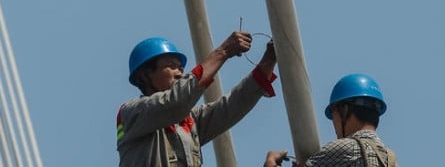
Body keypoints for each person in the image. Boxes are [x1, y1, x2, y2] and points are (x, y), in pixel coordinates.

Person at [117, 31, 278, 167]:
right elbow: (176, 102)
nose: (180, 74)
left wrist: (269, 60)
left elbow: (232, 106)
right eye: (171, 66)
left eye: (180, 68)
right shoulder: (131, 114)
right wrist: (223, 52)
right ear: (145, 75)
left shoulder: (188, 121)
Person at [263, 73, 397, 167]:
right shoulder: (391, 160)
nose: (333, 122)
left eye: (333, 114)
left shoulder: (343, 149)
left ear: (344, 109)